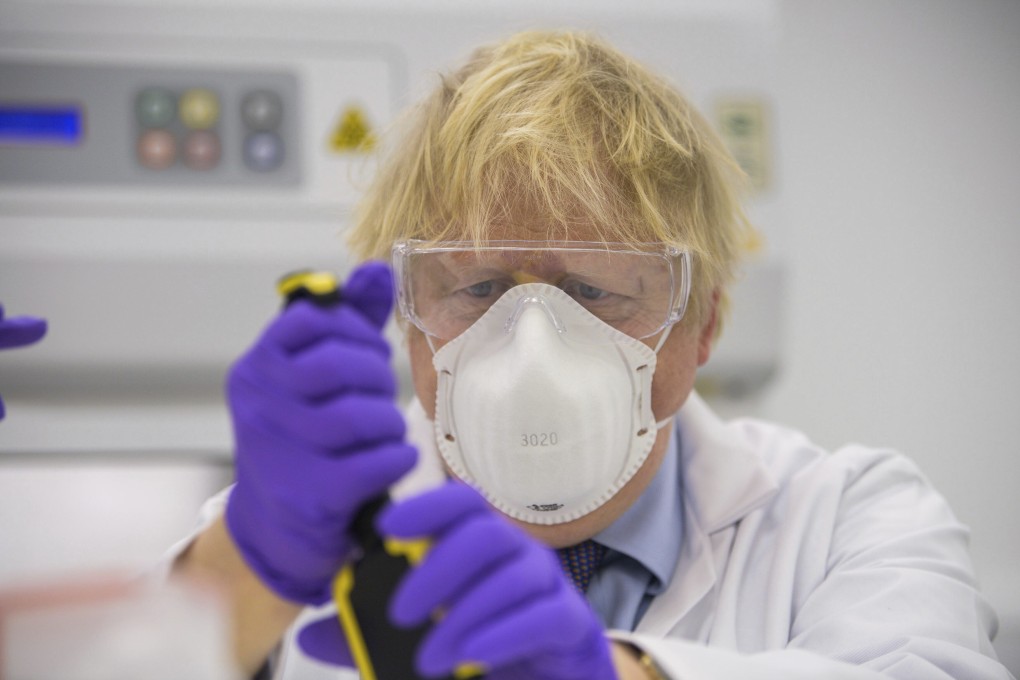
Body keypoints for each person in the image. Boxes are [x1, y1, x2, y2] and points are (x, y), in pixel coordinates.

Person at [171, 30, 1011, 680]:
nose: (531, 344)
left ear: (703, 325)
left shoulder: (852, 520)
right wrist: (241, 573)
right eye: (480, 288)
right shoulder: (287, 539)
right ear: (408, 316)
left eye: (594, 291)